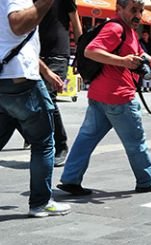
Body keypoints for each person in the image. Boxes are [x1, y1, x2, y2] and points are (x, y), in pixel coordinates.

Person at [57, 0, 151, 196]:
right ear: (120, 9)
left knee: (86, 139)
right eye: (133, 10)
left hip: (100, 96)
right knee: (136, 141)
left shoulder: (127, 30)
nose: (138, 15)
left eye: (141, 11)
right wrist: (123, 62)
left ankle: (70, 179)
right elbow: (90, 51)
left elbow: (138, 52)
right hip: (119, 97)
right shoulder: (116, 28)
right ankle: (146, 180)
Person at [0, 0, 71, 217]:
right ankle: (40, 203)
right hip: (21, 81)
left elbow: (17, 42)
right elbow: (18, 25)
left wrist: (46, 72)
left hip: (5, 79)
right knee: (43, 143)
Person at [38, 0, 82, 167]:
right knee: (30, 96)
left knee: (47, 97)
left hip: (58, 53)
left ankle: (60, 145)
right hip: (36, 54)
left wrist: (81, 54)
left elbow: (77, 24)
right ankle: (32, 135)